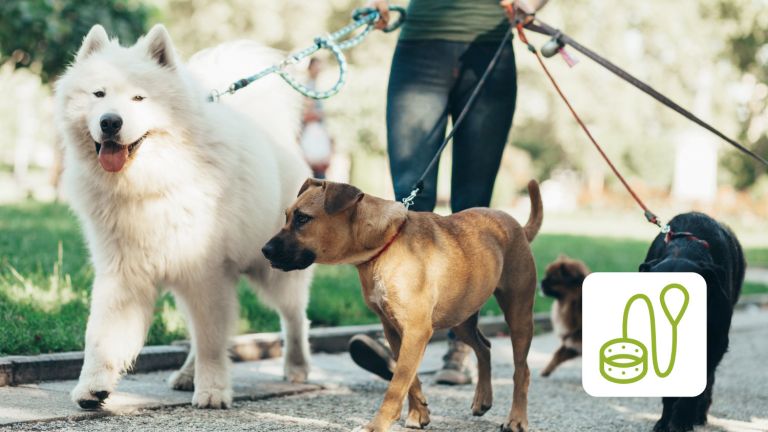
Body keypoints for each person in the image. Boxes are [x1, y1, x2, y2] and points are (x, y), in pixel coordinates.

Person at [348, 0, 550, 385]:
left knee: (472, 210)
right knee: (409, 199)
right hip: (420, 47)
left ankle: (462, 343)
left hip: (489, 43)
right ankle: (401, 334)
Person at [299, 58, 333, 179]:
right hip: (309, 134)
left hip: (317, 133)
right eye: (316, 66)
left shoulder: (317, 86)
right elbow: (306, 111)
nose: (318, 70)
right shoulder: (307, 87)